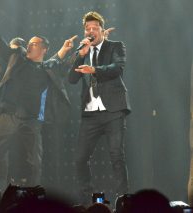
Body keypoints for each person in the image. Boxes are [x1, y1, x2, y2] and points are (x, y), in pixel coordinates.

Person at [0, 0, 75, 193]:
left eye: (34, 44)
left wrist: (71, 49)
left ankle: (32, 199)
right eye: (28, 43)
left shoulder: (47, 69)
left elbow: (57, 61)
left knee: (35, 164)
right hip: (8, 117)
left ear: (44, 49)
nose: (29, 46)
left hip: (31, 121)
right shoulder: (16, 59)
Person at [68, 11, 131, 204]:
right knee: (79, 158)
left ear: (102, 31)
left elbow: (118, 68)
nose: (91, 31)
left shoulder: (115, 46)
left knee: (116, 156)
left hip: (113, 110)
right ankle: (87, 200)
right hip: (90, 113)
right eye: (88, 28)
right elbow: (71, 79)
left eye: (95, 28)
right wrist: (80, 56)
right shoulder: (83, 51)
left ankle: (123, 200)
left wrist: (94, 69)